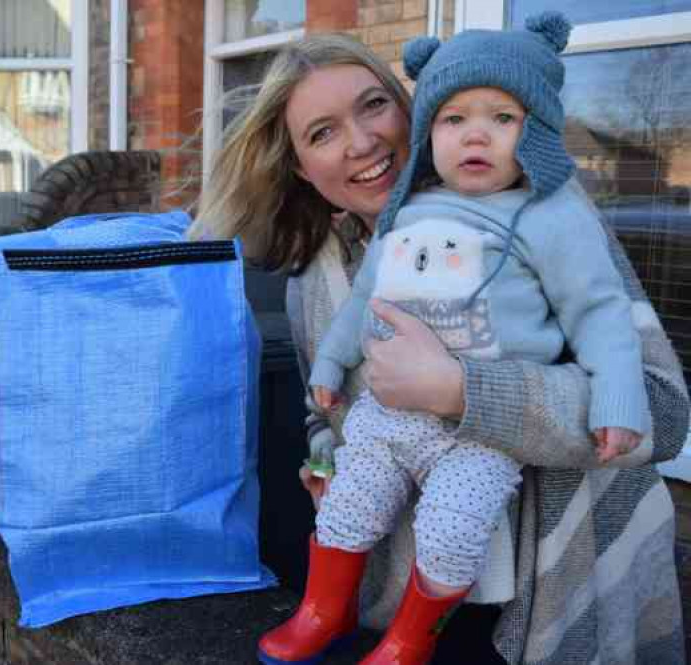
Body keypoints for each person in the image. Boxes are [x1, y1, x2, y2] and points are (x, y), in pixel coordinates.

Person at [188, 26, 688, 665]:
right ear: (301, 167)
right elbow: (325, 414)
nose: (362, 141)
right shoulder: (316, 278)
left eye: (374, 105)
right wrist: (324, 464)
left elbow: (663, 414)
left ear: (412, 109)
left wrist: (465, 391)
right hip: (403, 601)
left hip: (546, 598)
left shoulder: (542, 218)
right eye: (322, 132)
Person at [302, 14, 648, 665]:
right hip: (387, 422)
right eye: (454, 118)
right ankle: (325, 608)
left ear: (536, 131)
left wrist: (616, 399)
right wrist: (325, 394)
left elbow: (602, 315)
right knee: (348, 503)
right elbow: (359, 307)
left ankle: (411, 637)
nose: (476, 134)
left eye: (503, 117)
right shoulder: (399, 220)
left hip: (484, 439)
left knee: (452, 528)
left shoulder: (552, 215)